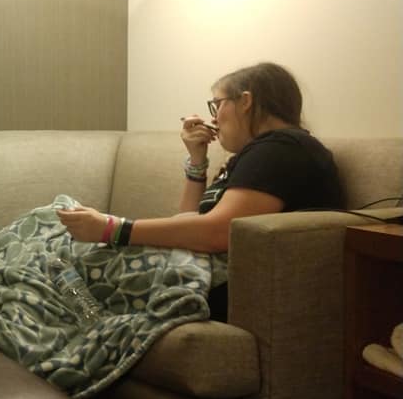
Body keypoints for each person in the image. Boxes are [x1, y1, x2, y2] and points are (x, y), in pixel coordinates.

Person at [56, 61, 344, 321]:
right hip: (204, 270)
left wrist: (113, 229)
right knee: (53, 231)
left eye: (216, 104)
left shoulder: (280, 149)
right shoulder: (263, 152)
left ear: (245, 101)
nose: (214, 118)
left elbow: (218, 233)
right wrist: (197, 159)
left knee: (50, 238)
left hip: (221, 286)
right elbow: (190, 220)